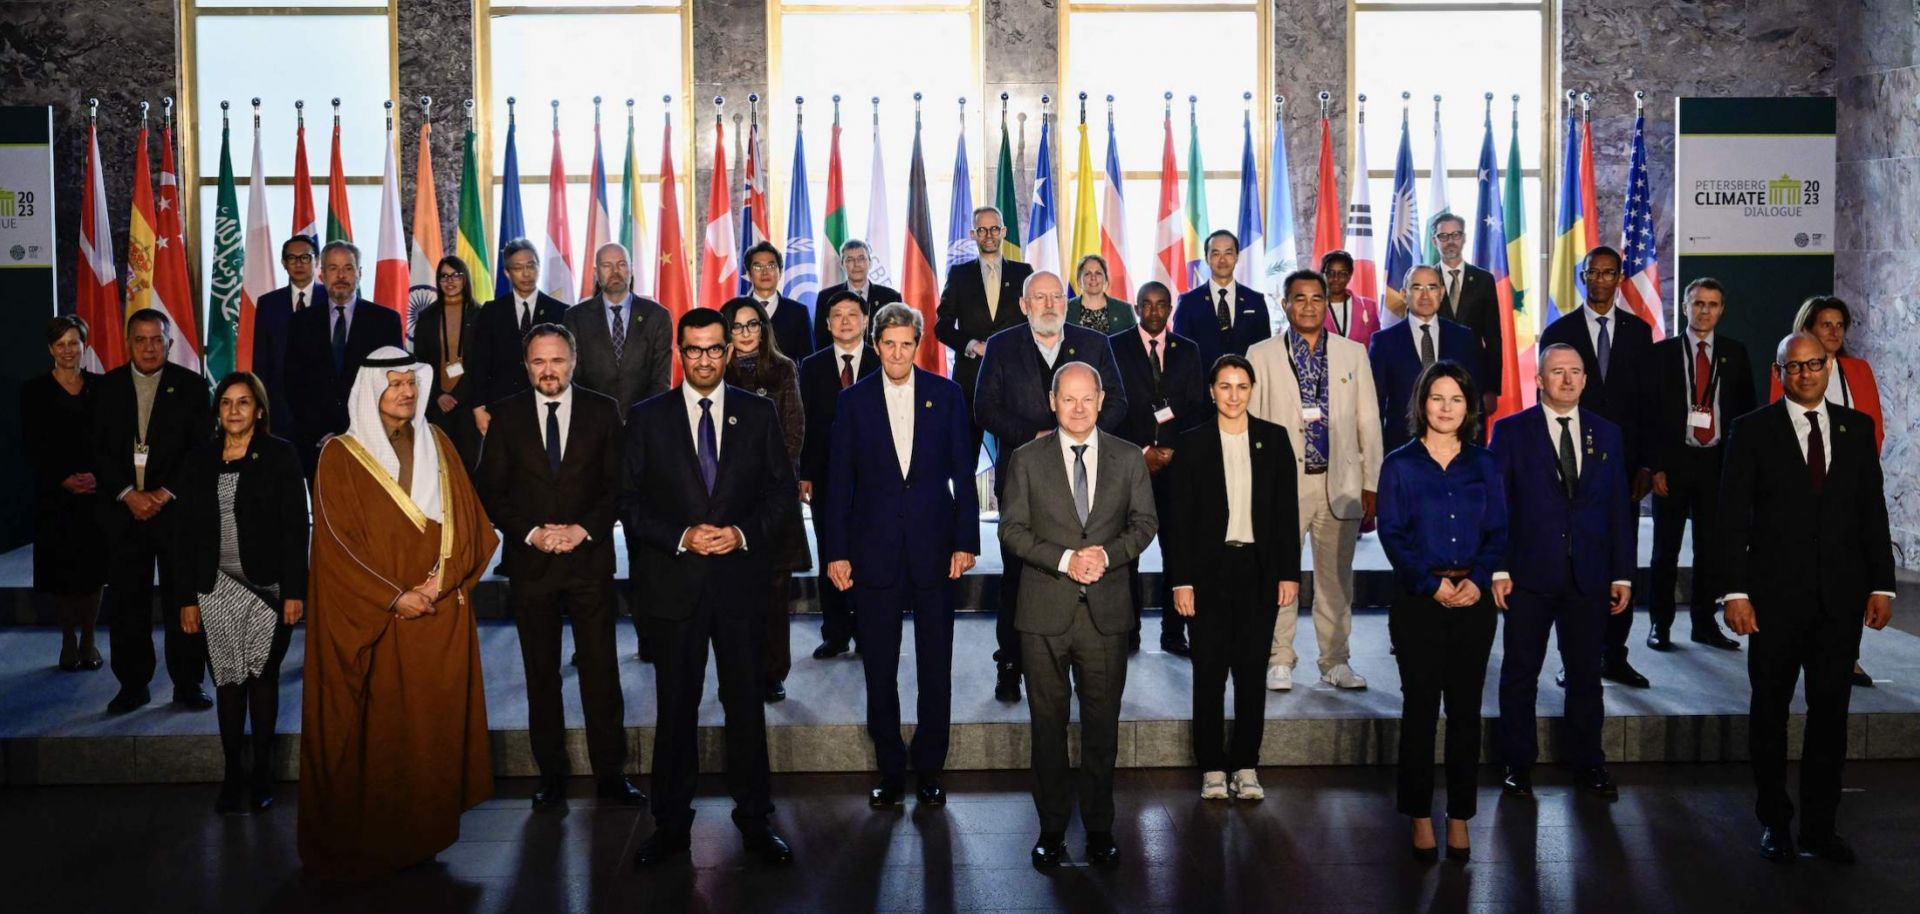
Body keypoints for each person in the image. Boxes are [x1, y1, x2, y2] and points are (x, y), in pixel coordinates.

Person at [298, 347, 499, 878]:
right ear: (370, 392)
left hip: (436, 616)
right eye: (394, 384)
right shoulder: (340, 455)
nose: (406, 392)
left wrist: (441, 580)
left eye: (411, 382)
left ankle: (424, 835)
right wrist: (393, 597)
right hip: (378, 619)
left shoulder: (441, 444)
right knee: (378, 730)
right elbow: (336, 548)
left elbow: (473, 524)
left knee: (429, 731)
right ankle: (371, 839)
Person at [626, 309, 798, 867]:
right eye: (693, 350)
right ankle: (670, 825)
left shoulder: (759, 413)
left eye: (714, 349)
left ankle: (755, 822)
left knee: (745, 708)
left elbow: (781, 495)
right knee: (675, 711)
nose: (704, 359)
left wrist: (741, 534)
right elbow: (629, 504)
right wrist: (683, 536)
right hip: (674, 589)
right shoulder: (647, 417)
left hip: (740, 590)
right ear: (679, 351)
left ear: (729, 351)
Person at [1720, 332, 1896, 864]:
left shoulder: (1856, 428)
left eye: (1814, 364)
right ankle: (1775, 821)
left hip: (1838, 604)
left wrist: (1882, 584)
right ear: (1779, 373)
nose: (1805, 374)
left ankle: (1820, 828)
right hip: (1772, 603)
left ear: (1827, 365)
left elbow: (1872, 512)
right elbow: (1729, 521)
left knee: (1830, 719)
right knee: (1769, 715)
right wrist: (1735, 593)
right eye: (1793, 367)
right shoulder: (1751, 431)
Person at [474, 324, 644, 809]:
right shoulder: (505, 415)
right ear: (526, 366)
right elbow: (491, 489)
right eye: (538, 362)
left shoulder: (602, 410)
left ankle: (611, 773)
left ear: (573, 361)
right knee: (540, 672)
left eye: (557, 360)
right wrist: (532, 532)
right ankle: (551, 775)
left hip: (589, 560)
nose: (548, 370)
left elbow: (618, 485)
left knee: (600, 671)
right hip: (531, 565)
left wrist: (581, 530)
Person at [999, 362, 1158, 871]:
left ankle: (1099, 827)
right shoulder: (1025, 459)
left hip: (1106, 614)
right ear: (1052, 401)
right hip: (1044, 612)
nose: (1078, 407)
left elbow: (1145, 523)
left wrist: (1106, 556)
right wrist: (1068, 559)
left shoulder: (1130, 457)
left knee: (1101, 730)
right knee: (1047, 728)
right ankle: (1050, 829)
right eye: (1068, 398)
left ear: (1101, 398)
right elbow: (1012, 531)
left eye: (1087, 398)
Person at [822, 302, 980, 808]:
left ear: (918, 345)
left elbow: (965, 474)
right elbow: (838, 483)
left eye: (906, 343)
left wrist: (966, 540)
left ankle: (930, 767)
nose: (896, 352)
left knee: (937, 664)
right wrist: (836, 552)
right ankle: (891, 770)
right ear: (875, 345)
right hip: (874, 554)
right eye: (887, 343)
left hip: (936, 550)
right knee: (879, 666)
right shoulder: (853, 402)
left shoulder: (947, 395)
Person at [974, 271, 1128, 702]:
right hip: (1024, 481)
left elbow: (1117, 402)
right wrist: (1035, 440)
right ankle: (1010, 664)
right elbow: (983, 407)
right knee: (1018, 574)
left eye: (1056, 296)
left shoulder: (1095, 345)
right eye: (1038, 297)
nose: (1048, 304)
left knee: (1082, 568)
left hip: (1086, 481)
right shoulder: (1003, 345)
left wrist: (1079, 435)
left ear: (1067, 301)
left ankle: (1082, 663)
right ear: (1024, 305)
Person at [1375, 360, 1506, 864]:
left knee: (1467, 713)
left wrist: (1476, 581)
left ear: (1469, 407)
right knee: (1420, 711)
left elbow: (1498, 531)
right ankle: (1418, 816)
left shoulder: (1485, 464)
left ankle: (1459, 816)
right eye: (1437, 398)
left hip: (1473, 602)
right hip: (1419, 604)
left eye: (1456, 399)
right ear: (1421, 404)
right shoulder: (1401, 464)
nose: (1446, 408)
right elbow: (1392, 534)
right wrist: (1431, 585)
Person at [1489, 344, 1633, 802]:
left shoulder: (1607, 434)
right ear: (1539, 379)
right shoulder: (1510, 432)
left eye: (1575, 372)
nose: (1567, 380)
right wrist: (1498, 567)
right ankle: (1517, 764)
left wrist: (1623, 574)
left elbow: (1617, 507)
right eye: (1557, 372)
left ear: (1586, 379)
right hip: (1528, 575)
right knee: (1520, 673)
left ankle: (1588, 761)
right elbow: (1498, 506)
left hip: (1589, 576)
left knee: (1586, 675)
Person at [170, 372, 307, 814]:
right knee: (228, 683)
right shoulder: (199, 459)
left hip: (266, 589)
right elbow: (185, 535)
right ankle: (233, 775)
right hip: (214, 589)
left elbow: (294, 529)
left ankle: (263, 774)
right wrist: (187, 599)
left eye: (243, 402)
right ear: (218, 410)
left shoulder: (280, 455)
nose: (234, 410)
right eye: (226, 402)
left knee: (262, 681)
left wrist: (293, 592)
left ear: (259, 409)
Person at [1165, 354, 1300, 801]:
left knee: (1250, 674)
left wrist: (1288, 574)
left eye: (1242, 386)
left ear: (1252, 389)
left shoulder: (1274, 440)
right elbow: (1178, 520)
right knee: (1208, 673)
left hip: (1258, 573)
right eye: (1225, 386)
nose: (1234, 395)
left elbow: (1285, 513)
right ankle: (1211, 768)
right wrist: (1181, 580)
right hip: (1207, 575)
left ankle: (1245, 764)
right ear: (1211, 391)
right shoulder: (1192, 443)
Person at [1246, 269, 1381, 692]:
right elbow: (1250, 423)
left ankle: (1335, 661)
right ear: (1284, 304)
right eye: (1299, 298)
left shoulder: (1352, 353)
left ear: (1328, 303)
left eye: (1316, 298)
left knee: (1337, 579)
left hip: (1338, 483)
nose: (1308, 305)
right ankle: (1278, 657)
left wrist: (1371, 481)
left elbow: (1369, 421)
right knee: (1277, 575)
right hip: (1283, 487)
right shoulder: (1262, 353)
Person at [1536, 245, 1654, 688]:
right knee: (1573, 561)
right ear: (1582, 277)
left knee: (1620, 559)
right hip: (1570, 462)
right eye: (1593, 273)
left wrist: (1647, 463)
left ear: (1620, 277)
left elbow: (1650, 404)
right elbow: (1544, 402)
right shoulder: (1559, 329)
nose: (1601, 280)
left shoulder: (1640, 332)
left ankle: (1615, 654)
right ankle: (1576, 656)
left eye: (1609, 273)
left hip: (1622, 467)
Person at [91, 309, 210, 713]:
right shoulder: (106, 389)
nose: (148, 347)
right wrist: (128, 493)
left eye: (156, 339)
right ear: (129, 343)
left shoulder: (192, 387)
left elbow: (200, 451)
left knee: (184, 597)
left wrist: (162, 494)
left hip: (174, 512)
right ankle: (132, 685)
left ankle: (188, 683)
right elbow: (98, 450)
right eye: (140, 339)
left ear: (169, 343)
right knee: (128, 603)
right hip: (124, 513)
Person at [1770, 295, 1885, 687]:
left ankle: (1847, 656)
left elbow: (1874, 426)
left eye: (1840, 325)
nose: (1834, 332)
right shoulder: (1790, 367)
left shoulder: (1859, 369)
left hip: (1846, 490)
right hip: (1800, 492)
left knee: (1847, 575)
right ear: (1809, 328)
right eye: (1826, 325)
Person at [563, 241, 672, 656]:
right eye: (606, 265)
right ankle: (589, 639)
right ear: (595, 270)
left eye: (621, 263)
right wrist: (602, 428)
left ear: (631, 268)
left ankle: (650, 637)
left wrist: (638, 430)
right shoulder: (574, 317)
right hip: (590, 444)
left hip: (644, 444)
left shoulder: (657, 316)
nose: (614, 271)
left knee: (645, 545)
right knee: (589, 544)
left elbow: (660, 382)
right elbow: (575, 383)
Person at [1646, 278, 1753, 651]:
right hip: (1674, 464)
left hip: (1717, 466)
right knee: (1665, 549)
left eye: (1713, 304)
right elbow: (1651, 416)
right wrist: (1656, 466)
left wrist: (1741, 471)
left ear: (1722, 309)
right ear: (1685, 306)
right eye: (1698, 303)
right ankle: (1660, 623)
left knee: (1711, 549)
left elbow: (1746, 415)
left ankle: (1704, 623)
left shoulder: (1735, 353)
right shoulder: (1661, 355)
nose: (1705, 310)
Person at [1108, 281, 1206, 655]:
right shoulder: (1114, 346)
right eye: (1146, 305)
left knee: (1177, 550)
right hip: (1129, 465)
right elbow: (1111, 407)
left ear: (1170, 310)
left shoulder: (1188, 351)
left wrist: (1171, 450)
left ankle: (1172, 632)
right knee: (1126, 551)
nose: (1153, 312)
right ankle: (1128, 631)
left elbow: (1196, 409)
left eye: (1161, 305)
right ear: (1136, 308)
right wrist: (1141, 451)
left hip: (1176, 466)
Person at [721, 296, 811, 703]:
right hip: (726, 500)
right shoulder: (713, 371)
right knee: (734, 595)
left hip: (773, 498)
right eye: (736, 326)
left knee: (775, 593)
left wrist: (775, 486)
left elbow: (793, 433)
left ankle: (774, 671)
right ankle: (737, 671)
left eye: (752, 325)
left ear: (763, 328)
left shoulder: (784, 368)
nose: (744, 333)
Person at [799, 290, 879, 660]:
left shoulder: (883, 361)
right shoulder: (811, 367)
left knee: (869, 553)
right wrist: (805, 473)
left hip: (874, 480)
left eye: (852, 314)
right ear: (827, 324)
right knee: (831, 550)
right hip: (827, 477)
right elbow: (806, 426)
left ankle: (868, 631)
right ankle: (835, 632)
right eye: (837, 315)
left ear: (865, 321)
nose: (845, 321)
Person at [23, 315, 106, 672]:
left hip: (96, 493)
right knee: (62, 570)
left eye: (74, 343)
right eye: (61, 344)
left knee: (93, 570)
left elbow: (113, 440)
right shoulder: (33, 391)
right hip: (55, 495)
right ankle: (68, 640)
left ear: (84, 346)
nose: (68, 350)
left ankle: (89, 638)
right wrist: (62, 479)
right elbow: (31, 445)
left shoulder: (103, 388)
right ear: (50, 349)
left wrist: (98, 476)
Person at [283, 240, 403, 478]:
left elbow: (392, 382)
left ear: (359, 273)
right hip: (316, 443)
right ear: (322, 274)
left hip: (369, 441)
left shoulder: (384, 321)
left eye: (348, 268)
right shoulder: (300, 323)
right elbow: (293, 384)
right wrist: (321, 432)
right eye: (333, 268)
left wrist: (358, 431)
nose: (341, 276)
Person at [934, 205, 1033, 457]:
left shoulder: (1024, 273)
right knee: (964, 460)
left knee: (1015, 460)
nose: (989, 235)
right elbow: (942, 327)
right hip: (971, 381)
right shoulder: (959, 275)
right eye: (982, 230)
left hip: (1015, 381)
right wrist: (973, 345)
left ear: (1004, 231)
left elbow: (1035, 323)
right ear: (973, 234)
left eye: (994, 229)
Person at [1368, 264, 1486, 453]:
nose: (1425, 295)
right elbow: (1374, 408)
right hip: (1401, 451)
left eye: (1431, 288)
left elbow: (1475, 399)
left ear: (1441, 292)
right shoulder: (1383, 342)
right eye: (1417, 288)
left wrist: (1476, 451)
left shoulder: (1463, 338)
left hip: (1456, 450)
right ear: (1404, 294)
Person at [471, 237, 569, 434]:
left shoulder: (560, 311)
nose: (526, 273)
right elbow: (478, 362)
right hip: (500, 406)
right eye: (517, 268)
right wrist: (477, 407)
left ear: (539, 267)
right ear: (507, 273)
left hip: (547, 404)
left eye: (531, 266)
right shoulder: (491, 312)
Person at [411, 255, 483, 468]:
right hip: (436, 405)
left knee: (469, 468)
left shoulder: (480, 315)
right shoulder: (427, 317)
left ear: (465, 279)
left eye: (456, 275)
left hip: (470, 406)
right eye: (444, 276)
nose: (450, 281)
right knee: (439, 467)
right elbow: (420, 363)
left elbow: (481, 364)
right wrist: (438, 395)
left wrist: (457, 397)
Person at [1432, 214, 1504, 416]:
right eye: (1443, 236)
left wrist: (1491, 388)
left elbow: (1493, 337)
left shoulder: (1484, 280)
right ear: (1434, 241)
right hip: (1434, 376)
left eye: (1455, 235)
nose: (1450, 242)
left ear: (1464, 238)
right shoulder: (1425, 279)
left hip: (1474, 378)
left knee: (1473, 440)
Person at [249, 235, 321, 432]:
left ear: (317, 261)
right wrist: (261, 403)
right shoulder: (268, 303)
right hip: (280, 406)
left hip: (323, 405)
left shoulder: (330, 300)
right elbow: (261, 360)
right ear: (283, 263)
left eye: (305, 257)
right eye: (292, 258)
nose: (299, 263)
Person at [1173, 230, 1272, 370]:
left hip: (1247, 387)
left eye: (1228, 253)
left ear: (1237, 256)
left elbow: (1264, 350)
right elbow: (1180, 353)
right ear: (1207, 258)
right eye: (1215, 253)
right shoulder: (1188, 302)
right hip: (1202, 388)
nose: (1222, 260)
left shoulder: (1255, 301)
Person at [730, 241, 816, 362]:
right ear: (749, 274)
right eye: (758, 267)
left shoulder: (798, 312)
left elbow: (808, 362)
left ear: (780, 273)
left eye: (771, 266)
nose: (765, 272)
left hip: (788, 380)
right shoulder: (735, 311)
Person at [814, 238, 902, 348]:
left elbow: (897, 338)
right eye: (850, 260)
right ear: (842, 265)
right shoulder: (826, 297)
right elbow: (820, 341)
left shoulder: (891, 298)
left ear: (870, 263)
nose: (856, 264)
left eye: (861, 259)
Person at [1319, 250, 1382, 348]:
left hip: (1361, 363)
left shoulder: (1368, 307)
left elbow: (1377, 345)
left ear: (1350, 275)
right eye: (1331, 273)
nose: (1336, 278)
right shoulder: (1313, 307)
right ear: (1323, 274)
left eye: (1342, 273)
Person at [1065, 253, 1135, 335]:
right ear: (1079, 280)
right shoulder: (1065, 309)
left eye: (1098, 273)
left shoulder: (1124, 310)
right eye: (1087, 273)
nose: (1093, 278)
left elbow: (1134, 343)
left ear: (1105, 278)